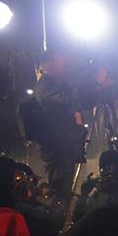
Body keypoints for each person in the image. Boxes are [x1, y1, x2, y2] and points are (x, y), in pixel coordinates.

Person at [30, 51, 86, 198]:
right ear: (48, 65)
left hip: (64, 146)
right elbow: (68, 100)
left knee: (65, 187)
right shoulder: (45, 86)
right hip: (54, 148)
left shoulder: (59, 85)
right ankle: (56, 218)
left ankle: (61, 214)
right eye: (61, 64)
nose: (65, 67)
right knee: (59, 189)